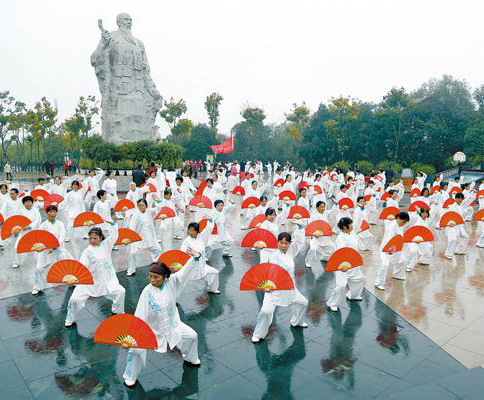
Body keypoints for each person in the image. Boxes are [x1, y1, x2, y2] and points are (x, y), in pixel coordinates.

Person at [122, 256, 202, 387]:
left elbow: (185, 272)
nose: (152, 280)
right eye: (150, 276)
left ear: (165, 276)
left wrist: (194, 259)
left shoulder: (172, 282)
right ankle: (130, 376)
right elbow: (139, 316)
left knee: (192, 336)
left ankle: (191, 358)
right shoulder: (147, 292)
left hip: (172, 325)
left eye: (156, 277)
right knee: (135, 351)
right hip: (152, 330)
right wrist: (132, 337)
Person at [251, 232, 308, 343]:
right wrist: (268, 285)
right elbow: (270, 272)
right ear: (277, 243)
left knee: (303, 303)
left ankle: (297, 322)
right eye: (281, 243)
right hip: (274, 288)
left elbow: (300, 242)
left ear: (289, 244)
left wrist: (300, 228)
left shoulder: (291, 252)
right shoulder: (274, 256)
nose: (283, 245)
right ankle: (258, 334)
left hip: (290, 288)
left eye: (286, 243)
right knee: (266, 311)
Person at [65, 225, 125, 327]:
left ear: (101, 237)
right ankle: (70, 319)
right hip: (90, 282)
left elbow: (115, 235)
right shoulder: (86, 252)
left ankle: (117, 311)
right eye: (90, 238)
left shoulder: (106, 245)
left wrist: (111, 224)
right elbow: (81, 267)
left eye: (95, 238)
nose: (92, 240)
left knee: (120, 291)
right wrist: (75, 279)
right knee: (74, 300)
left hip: (107, 280)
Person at [326, 217, 365, 312]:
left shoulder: (352, 233)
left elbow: (356, 245)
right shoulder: (341, 238)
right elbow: (341, 253)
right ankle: (332, 303)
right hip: (342, 264)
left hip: (353, 263)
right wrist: (343, 266)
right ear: (344, 226)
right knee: (341, 285)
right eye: (350, 224)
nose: (352, 225)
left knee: (359, 279)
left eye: (352, 223)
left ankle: (353, 295)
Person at [32, 205, 73, 295]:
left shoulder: (60, 224)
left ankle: (73, 282)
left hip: (58, 249)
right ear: (47, 213)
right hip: (46, 250)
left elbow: (62, 236)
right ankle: (37, 287)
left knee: (66, 266)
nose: (52, 214)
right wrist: (46, 247)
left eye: (54, 211)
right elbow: (42, 238)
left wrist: (54, 246)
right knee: (40, 268)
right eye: (50, 212)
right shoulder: (43, 225)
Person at [180, 221, 220, 294]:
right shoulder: (186, 241)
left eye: (193, 230)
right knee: (179, 281)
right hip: (191, 267)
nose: (191, 232)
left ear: (197, 231)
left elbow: (208, 229)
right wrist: (192, 255)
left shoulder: (201, 237)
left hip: (202, 266)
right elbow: (182, 253)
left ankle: (212, 289)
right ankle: (174, 297)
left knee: (215, 272)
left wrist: (210, 221)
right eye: (189, 230)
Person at [374, 212, 410, 290]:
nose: (404, 224)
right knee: (385, 265)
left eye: (405, 222)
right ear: (399, 218)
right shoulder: (392, 226)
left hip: (396, 249)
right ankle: (378, 283)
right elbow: (388, 239)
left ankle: (397, 275)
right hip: (386, 249)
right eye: (404, 221)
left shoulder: (399, 225)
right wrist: (389, 249)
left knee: (403, 260)